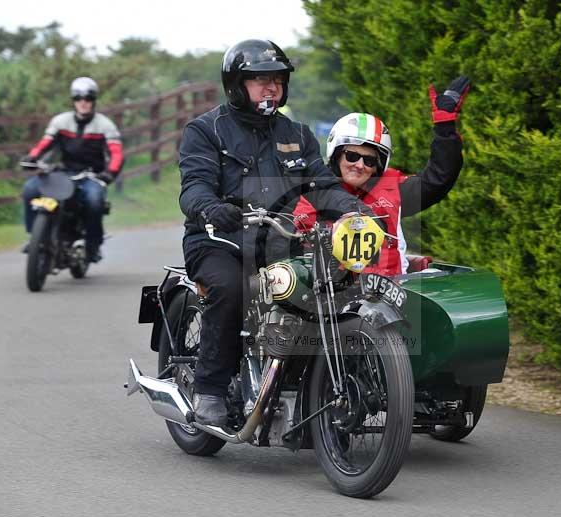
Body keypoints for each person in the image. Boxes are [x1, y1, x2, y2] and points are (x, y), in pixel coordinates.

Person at [178, 39, 377, 425]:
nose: (271, 88)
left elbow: (323, 185)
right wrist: (213, 207)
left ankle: (308, 384)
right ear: (236, 85)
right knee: (232, 288)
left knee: (330, 290)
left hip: (279, 243)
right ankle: (210, 389)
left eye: (277, 80)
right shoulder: (206, 130)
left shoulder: (297, 133)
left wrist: (356, 210)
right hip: (219, 240)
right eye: (259, 80)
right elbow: (194, 186)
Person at [293, 76, 470, 276]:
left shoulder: (393, 187)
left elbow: (439, 178)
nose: (359, 165)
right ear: (335, 154)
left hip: (392, 298)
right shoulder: (313, 192)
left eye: (369, 160)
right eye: (352, 156)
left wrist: (444, 128)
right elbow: (295, 241)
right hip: (333, 298)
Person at [21, 77, 124, 262]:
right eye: (79, 98)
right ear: (73, 100)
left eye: (88, 98)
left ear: (94, 100)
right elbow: (44, 144)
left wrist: (109, 174)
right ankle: (34, 237)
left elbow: (116, 154)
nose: (83, 102)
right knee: (30, 189)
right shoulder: (60, 121)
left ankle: (92, 246)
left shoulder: (105, 125)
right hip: (62, 172)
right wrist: (32, 157)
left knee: (94, 201)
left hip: (91, 175)